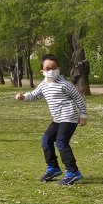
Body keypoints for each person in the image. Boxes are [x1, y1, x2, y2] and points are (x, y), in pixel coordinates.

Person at [15, 54, 87, 186]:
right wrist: (23, 97)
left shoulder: (65, 85)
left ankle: (73, 172)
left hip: (69, 117)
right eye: (47, 68)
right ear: (42, 71)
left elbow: (78, 98)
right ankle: (53, 168)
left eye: (54, 68)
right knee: (46, 140)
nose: (51, 71)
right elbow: (34, 95)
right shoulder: (44, 85)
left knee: (61, 142)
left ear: (58, 68)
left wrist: (83, 114)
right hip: (57, 119)